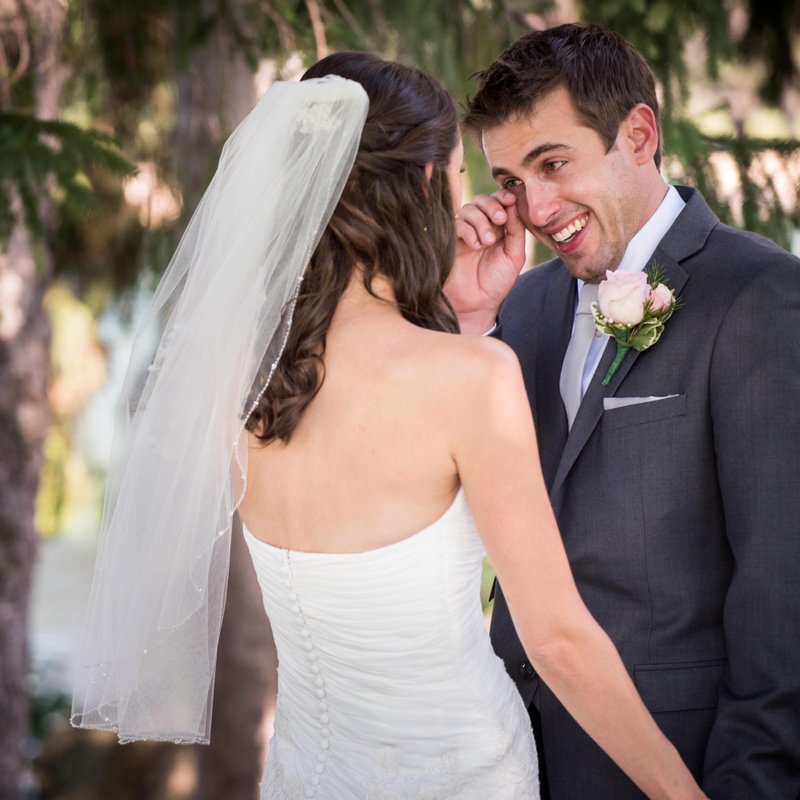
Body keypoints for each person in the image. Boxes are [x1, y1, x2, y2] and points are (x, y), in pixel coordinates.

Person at [72, 52, 706, 799]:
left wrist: (465, 319)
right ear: (428, 183)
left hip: (306, 775)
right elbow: (560, 643)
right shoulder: (470, 382)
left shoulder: (236, 374)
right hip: (463, 776)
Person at [450, 22, 800, 800]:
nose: (533, 207)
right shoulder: (520, 306)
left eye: (553, 164)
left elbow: (781, 593)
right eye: (509, 181)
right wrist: (469, 324)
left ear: (638, 133)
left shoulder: (762, 296)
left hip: (677, 761)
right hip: (508, 759)